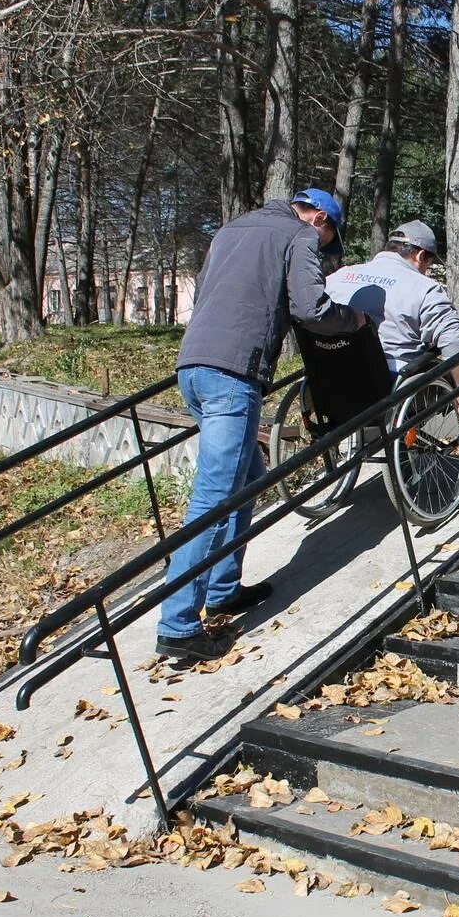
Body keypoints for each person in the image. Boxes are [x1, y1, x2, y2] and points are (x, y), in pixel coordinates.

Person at [155, 188, 365, 661]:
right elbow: (311, 309)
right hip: (233, 375)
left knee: (248, 478)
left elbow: (210, 293)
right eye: (330, 238)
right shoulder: (300, 235)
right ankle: (178, 623)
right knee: (214, 497)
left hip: (193, 366)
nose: (327, 247)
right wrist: (353, 320)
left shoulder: (230, 230)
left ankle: (224, 588)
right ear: (319, 219)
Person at [323, 219, 459, 426]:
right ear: (421, 255)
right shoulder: (424, 288)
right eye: (428, 265)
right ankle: (408, 439)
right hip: (388, 386)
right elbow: (455, 344)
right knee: (449, 376)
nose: (426, 271)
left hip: (330, 380)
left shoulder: (338, 277)